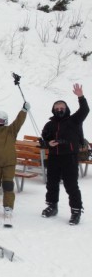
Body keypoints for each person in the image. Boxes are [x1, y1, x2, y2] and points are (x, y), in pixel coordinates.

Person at [41, 83, 88, 225]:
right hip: (54, 157)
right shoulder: (50, 124)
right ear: (53, 110)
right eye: (57, 108)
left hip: (69, 157)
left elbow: (85, 110)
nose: (59, 110)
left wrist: (80, 97)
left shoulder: (74, 120)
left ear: (66, 109)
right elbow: (43, 139)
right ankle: (52, 206)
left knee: (71, 185)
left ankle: (76, 211)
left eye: (62, 108)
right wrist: (48, 143)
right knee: (51, 184)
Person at [0, 104, 28, 226]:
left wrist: (23, 110)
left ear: (6, 121)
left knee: (8, 186)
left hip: (8, 163)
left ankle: (8, 207)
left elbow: (18, 122)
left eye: (2, 120)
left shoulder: (11, 130)